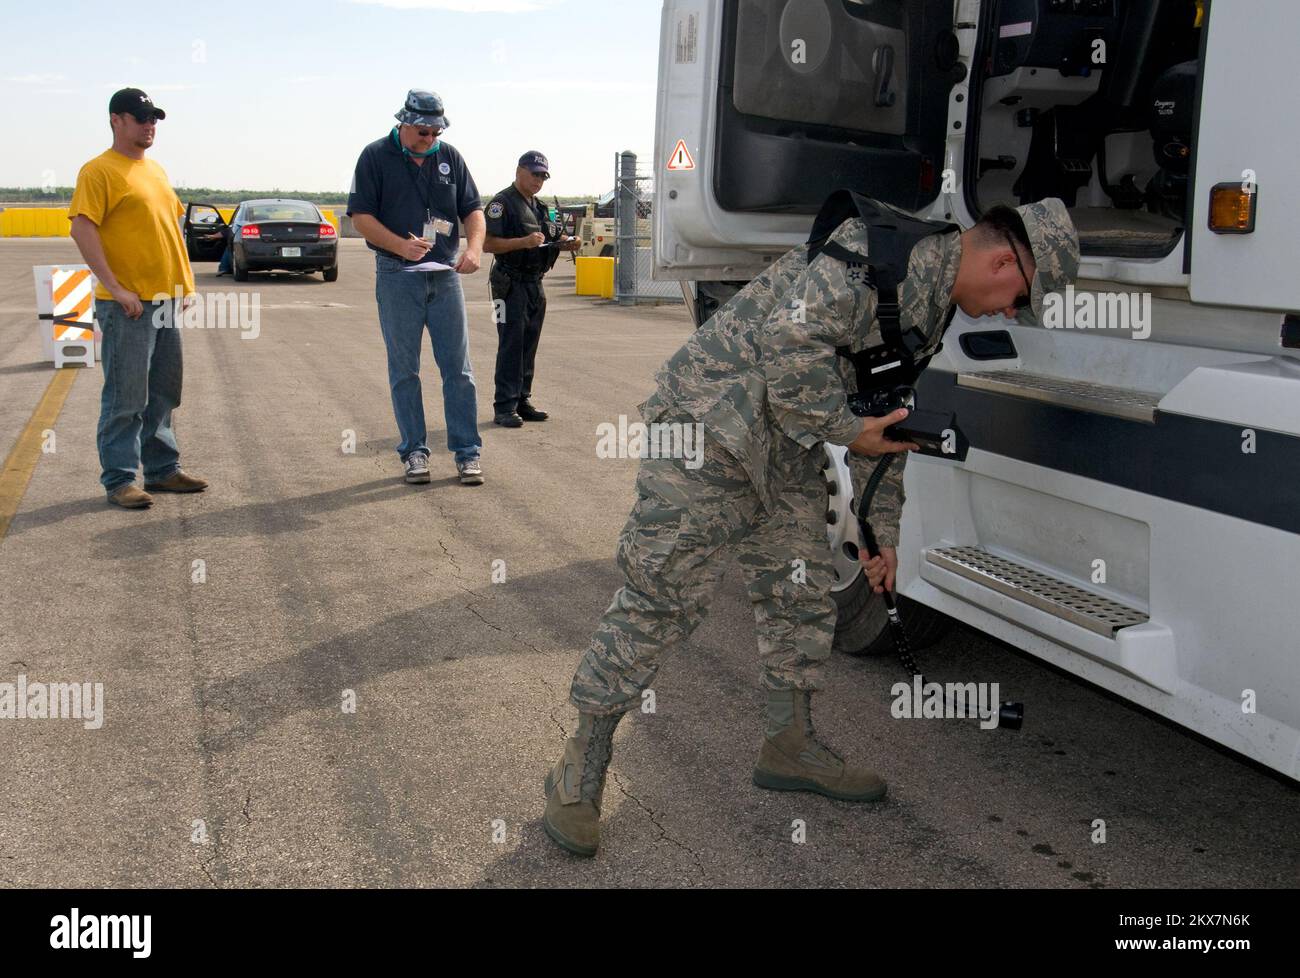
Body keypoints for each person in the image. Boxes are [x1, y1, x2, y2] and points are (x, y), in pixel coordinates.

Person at [541, 193, 1080, 857]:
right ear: (1003, 260)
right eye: (1019, 296)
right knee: (661, 599)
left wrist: (880, 539)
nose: (1008, 312)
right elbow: (788, 346)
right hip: (710, 427)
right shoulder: (871, 255)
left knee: (799, 595)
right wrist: (849, 430)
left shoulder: (933, 308)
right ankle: (580, 766)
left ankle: (788, 746)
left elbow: (887, 426)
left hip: (789, 442)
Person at [68, 87, 208, 510]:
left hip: (165, 300)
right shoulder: (99, 171)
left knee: (165, 392)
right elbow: (82, 229)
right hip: (127, 304)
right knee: (127, 396)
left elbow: (168, 229)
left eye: (154, 120)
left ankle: (163, 471)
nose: (150, 126)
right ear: (117, 120)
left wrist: (183, 285)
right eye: (142, 118)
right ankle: (120, 479)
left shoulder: (156, 170)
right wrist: (115, 286)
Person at [346, 90, 486, 486]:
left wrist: (473, 249)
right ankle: (415, 453)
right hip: (396, 276)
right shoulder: (375, 156)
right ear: (404, 123)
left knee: (458, 370)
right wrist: (400, 246)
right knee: (404, 369)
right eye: (423, 131)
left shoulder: (450, 157)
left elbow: (472, 210)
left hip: (444, 276)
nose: (429, 139)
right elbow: (361, 216)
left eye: (436, 132)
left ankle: (467, 452)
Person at [482, 151, 579, 427]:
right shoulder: (502, 203)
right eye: (534, 173)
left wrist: (567, 242)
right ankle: (504, 406)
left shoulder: (541, 207)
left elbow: (553, 234)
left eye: (542, 176)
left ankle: (521, 400)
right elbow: (487, 243)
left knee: (529, 343)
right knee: (510, 343)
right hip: (509, 283)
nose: (538, 180)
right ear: (519, 171)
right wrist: (521, 242)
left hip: (535, 283)